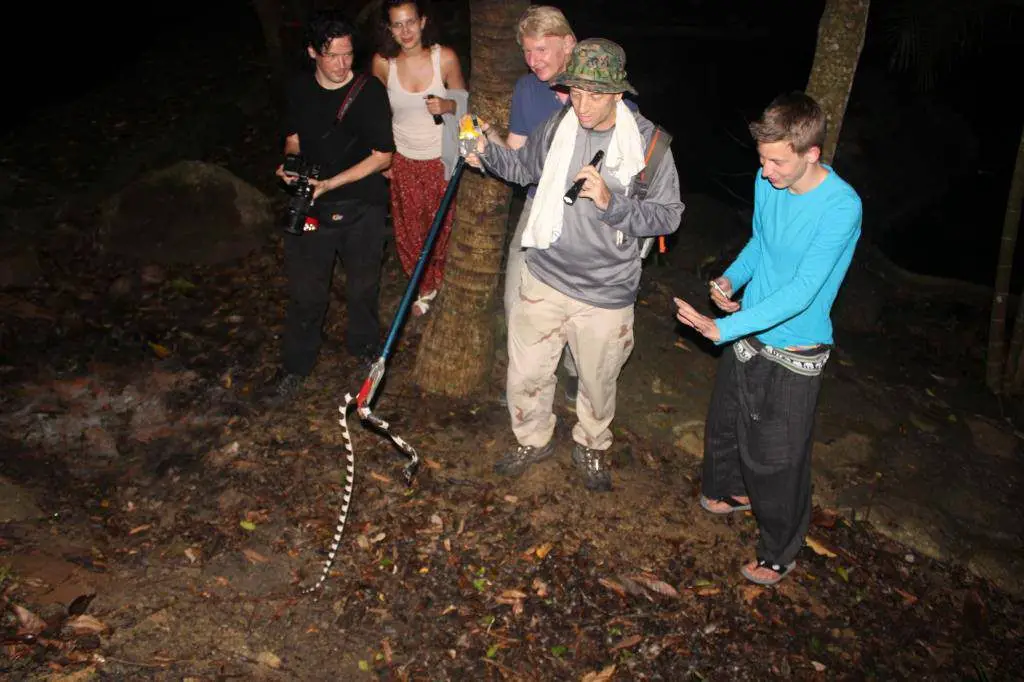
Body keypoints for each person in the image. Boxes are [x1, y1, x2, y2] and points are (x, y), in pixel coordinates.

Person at [466, 39, 683, 491]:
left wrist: (612, 202)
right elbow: (524, 168)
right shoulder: (560, 123)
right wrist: (484, 151)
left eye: (595, 95)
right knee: (527, 372)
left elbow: (668, 215)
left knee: (598, 383)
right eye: (576, 92)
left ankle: (591, 442)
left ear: (619, 94)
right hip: (544, 274)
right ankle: (533, 437)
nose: (582, 105)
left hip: (606, 292)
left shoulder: (650, 146)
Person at [672, 92, 862, 585]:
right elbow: (760, 243)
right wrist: (730, 281)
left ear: (811, 154)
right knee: (728, 423)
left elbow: (803, 290)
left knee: (778, 457)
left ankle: (780, 550)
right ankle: (732, 493)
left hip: (795, 345)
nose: (766, 171)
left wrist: (724, 327)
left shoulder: (841, 207)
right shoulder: (768, 180)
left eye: (778, 161)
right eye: (762, 158)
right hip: (751, 327)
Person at [268, 11, 395, 401]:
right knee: (308, 291)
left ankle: (365, 349)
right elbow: (294, 138)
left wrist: (330, 184)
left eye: (348, 54)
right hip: (311, 215)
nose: (343, 64)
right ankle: (296, 365)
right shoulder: (298, 90)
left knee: (363, 286)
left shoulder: (368, 90)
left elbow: (383, 157)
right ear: (312, 53)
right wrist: (290, 165)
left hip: (362, 208)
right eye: (333, 56)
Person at [482, 5, 580, 402]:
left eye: (541, 49)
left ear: (568, 44)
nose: (533, 60)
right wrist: (487, 139)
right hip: (538, 205)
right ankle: (526, 384)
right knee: (516, 296)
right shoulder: (527, 89)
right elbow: (518, 159)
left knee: (577, 299)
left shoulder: (600, 86)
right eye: (527, 51)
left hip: (586, 214)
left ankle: (574, 369)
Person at [372, 0, 467, 316]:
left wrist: (448, 106)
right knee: (410, 230)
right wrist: (383, 159)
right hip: (404, 159)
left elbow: (467, 109)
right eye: (397, 24)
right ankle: (424, 287)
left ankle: (441, 282)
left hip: (442, 159)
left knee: (443, 227)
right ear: (389, 29)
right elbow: (375, 116)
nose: (406, 31)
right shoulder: (384, 64)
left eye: (410, 21)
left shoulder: (445, 58)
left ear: (423, 21)